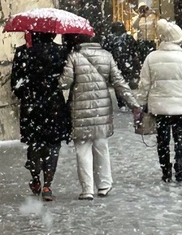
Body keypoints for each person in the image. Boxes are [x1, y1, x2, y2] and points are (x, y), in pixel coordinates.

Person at [60, 33, 141, 200]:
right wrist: (133, 103)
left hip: (80, 110)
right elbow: (119, 82)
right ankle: (104, 185)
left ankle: (87, 189)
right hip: (101, 111)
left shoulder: (74, 57)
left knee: (82, 150)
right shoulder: (107, 56)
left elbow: (64, 83)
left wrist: (58, 77)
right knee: (101, 146)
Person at [135, 19, 182, 184]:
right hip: (180, 107)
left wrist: (142, 102)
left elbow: (144, 84)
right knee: (180, 138)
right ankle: (180, 166)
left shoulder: (151, 57)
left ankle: (166, 170)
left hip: (159, 107)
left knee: (162, 140)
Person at [10, 32, 71, 201]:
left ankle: (36, 178)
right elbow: (66, 78)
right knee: (53, 145)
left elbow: (15, 83)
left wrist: (28, 93)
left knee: (35, 143)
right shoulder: (61, 52)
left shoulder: (23, 52)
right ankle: (47, 185)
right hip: (54, 105)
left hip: (32, 105)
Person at [101, 21, 142, 90]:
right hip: (128, 69)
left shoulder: (108, 39)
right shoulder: (129, 38)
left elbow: (105, 53)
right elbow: (135, 52)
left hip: (113, 69)